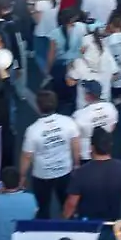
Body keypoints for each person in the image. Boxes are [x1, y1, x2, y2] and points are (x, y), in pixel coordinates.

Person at [20, 90, 82, 219]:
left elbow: (27, 156)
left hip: (42, 174)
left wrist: (22, 176)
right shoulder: (68, 122)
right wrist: (76, 164)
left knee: (43, 207)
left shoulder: (33, 130)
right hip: (65, 170)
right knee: (67, 203)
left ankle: (45, 232)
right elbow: (76, 144)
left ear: (38, 106)